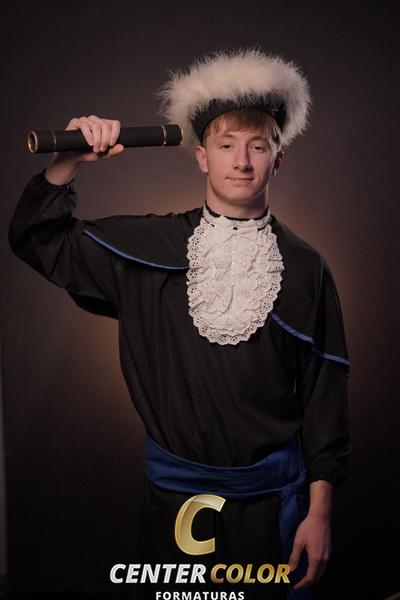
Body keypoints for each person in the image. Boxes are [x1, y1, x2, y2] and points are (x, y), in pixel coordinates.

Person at [8, 49, 351, 599]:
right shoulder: (149, 249)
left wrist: (320, 513)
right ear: (201, 158)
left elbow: (323, 398)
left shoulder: (307, 269)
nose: (242, 162)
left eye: (258, 146)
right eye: (226, 145)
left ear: (277, 159)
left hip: (272, 506)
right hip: (175, 504)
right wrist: (70, 161)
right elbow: (38, 238)